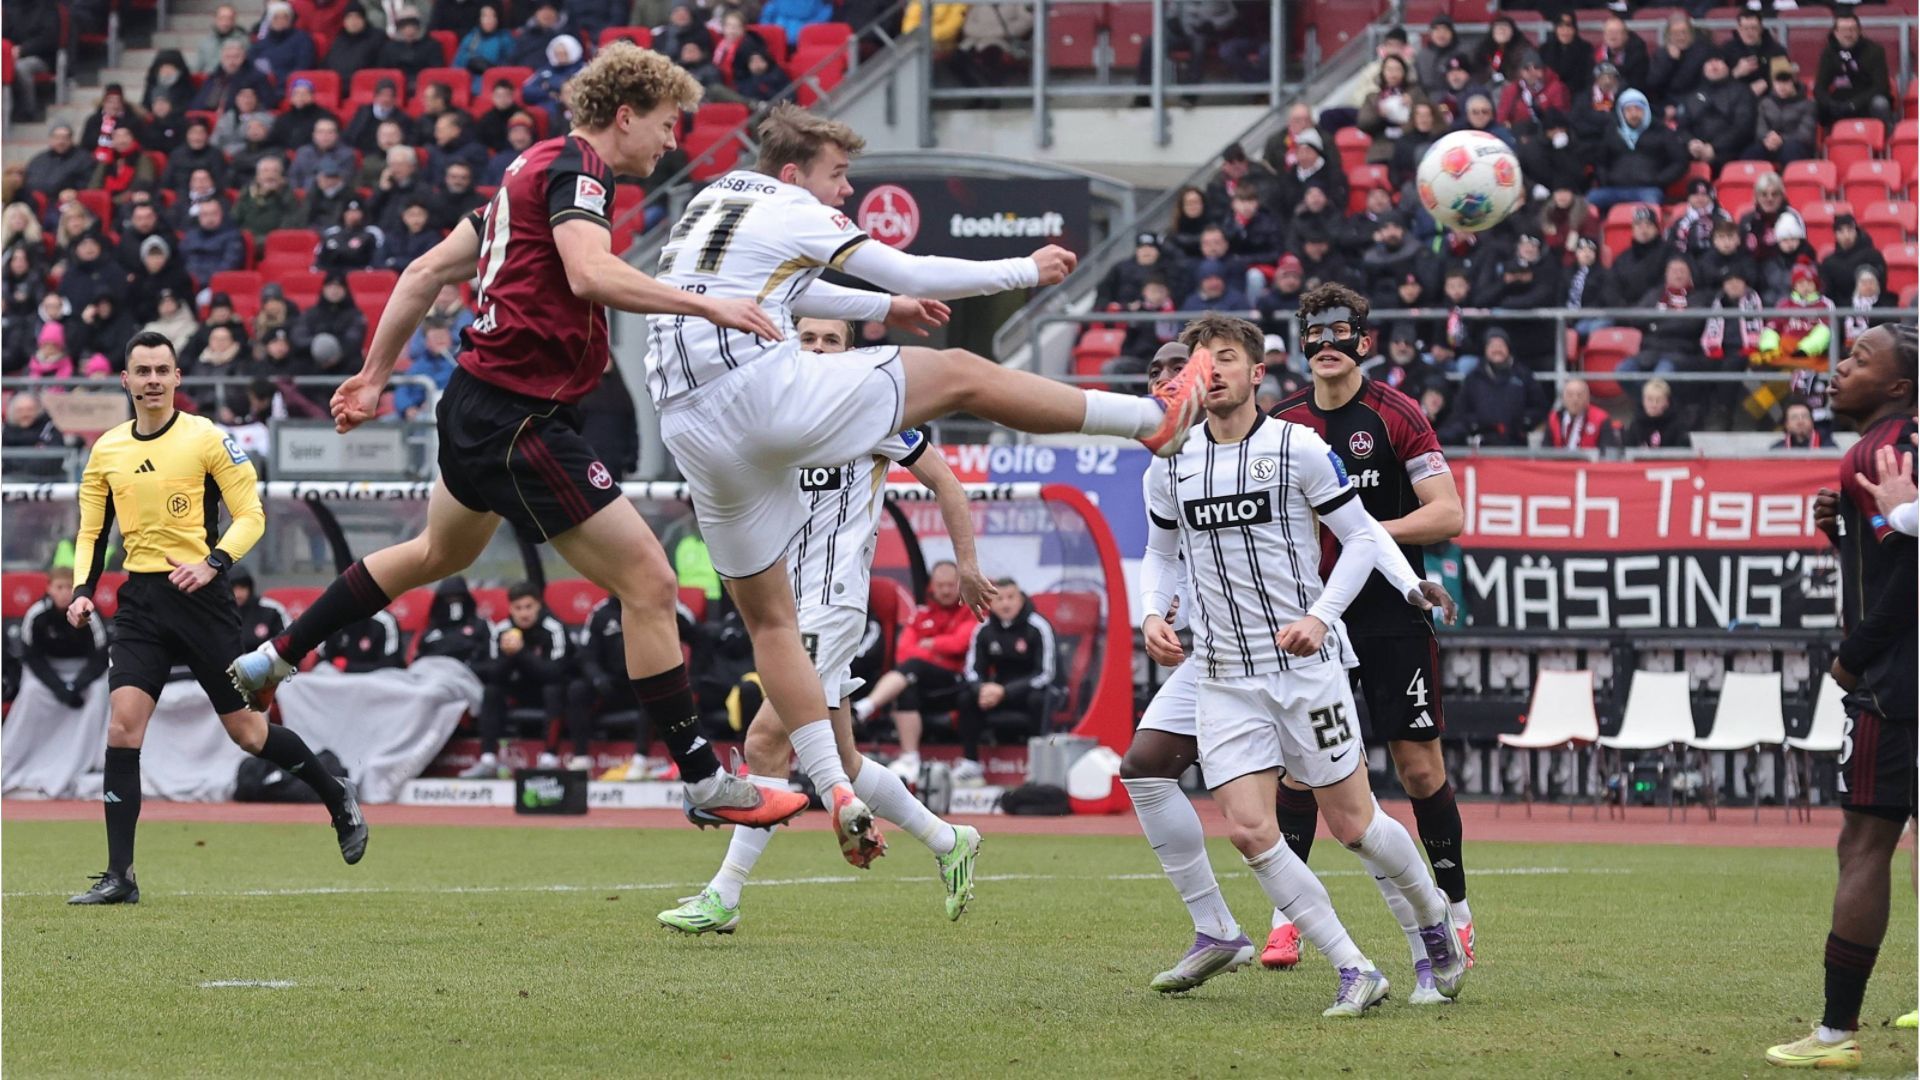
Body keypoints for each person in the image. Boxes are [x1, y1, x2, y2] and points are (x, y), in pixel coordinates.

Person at [227, 44, 806, 830]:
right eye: (668, 124)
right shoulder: (580, 172)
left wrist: (372, 377)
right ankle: (705, 779)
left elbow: (423, 274)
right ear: (625, 116)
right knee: (651, 584)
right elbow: (590, 274)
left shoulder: (524, 171)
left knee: (437, 554)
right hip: (519, 417)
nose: (673, 141)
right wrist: (708, 304)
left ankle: (275, 656)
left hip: (475, 403)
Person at [639, 101, 1206, 858]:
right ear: (794, 173)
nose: (846, 190)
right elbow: (907, 265)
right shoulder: (793, 208)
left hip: (687, 423)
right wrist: (1023, 270)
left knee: (768, 623)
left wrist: (885, 307)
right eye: (839, 174)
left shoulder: (713, 200)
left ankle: (838, 792)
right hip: (758, 394)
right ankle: (1148, 420)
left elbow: (789, 294)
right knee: (964, 373)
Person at [1139, 311, 1464, 1012]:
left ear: (1258, 372)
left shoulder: (1299, 447)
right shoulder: (1169, 461)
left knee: (1354, 826)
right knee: (1249, 831)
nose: (1212, 371)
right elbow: (1160, 553)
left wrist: (1322, 617)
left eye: (1227, 357)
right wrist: (1152, 613)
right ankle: (1354, 967)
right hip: (1223, 674)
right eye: (1202, 361)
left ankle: (1432, 916)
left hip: (1303, 672)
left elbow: (1361, 536)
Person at [659, 314, 987, 932]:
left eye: (830, 340)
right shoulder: (774, 413)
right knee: (844, 759)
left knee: (765, 740)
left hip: (831, 605)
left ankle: (724, 896)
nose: (816, 347)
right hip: (782, 608)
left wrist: (966, 565)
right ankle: (951, 841)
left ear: (850, 351)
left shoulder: (872, 412)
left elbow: (947, 484)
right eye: (806, 337)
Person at [64, 333, 366, 905]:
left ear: (178, 377)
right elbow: (91, 533)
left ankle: (336, 796)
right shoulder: (106, 450)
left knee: (249, 734)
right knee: (122, 728)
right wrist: (82, 591)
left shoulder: (206, 437)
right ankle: (120, 876)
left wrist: (213, 562)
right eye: (142, 371)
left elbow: (251, 514)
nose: (153, 380)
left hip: (202, 600)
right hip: (141, 603)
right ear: (125, 381)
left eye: (162, 370)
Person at [1266, 284, 1474, 979]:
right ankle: (1287, 922)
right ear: (1302, 342)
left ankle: (1457, 912)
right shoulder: (1282, 424)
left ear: (1364, 340)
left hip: (1389, 609)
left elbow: (1448, 514)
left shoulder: (1396, 415)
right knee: (1299, 767)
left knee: (1419, 769)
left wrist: (1363, 535)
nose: (1326, 344)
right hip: (1313, 611)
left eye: (1340, 332)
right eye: (1314, 332)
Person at [1766, 324, 1917, 1069]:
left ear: (1897, 386)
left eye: (1860, 359)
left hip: (1896, 683)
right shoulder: (1897, 446)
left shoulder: (1878, 451)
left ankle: (1834, 1033)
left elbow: (1911, 578)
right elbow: (1895, 556)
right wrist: (1845, 535)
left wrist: (1853, 660)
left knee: (1862, 844)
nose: (1839, 368)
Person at [851, 560, 978, 777]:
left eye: (951, 585)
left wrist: (931, 644)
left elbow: (960, 644)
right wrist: (936, 651)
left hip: (957, 680)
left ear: (960, 584)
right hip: (922, 680)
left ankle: (864, 708)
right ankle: (910, 758)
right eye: (940, 585)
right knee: (907, 684)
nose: (946, 591)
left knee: (914, 667)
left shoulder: (972, 610)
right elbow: (903, 651)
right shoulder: (921, 614)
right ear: (932, 586)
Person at [462, 582, 588, 774]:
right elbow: (493, 674)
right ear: (511, 609)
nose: (524, 613)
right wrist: (508, 655)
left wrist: (521, 652)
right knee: (491, 691)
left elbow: (554, 673)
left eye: (528, 607)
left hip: (550, 689)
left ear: (538, 605)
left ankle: (550, 757)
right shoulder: (502, 630)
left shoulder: (554, 628)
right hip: (519, 689)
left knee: (554, 690)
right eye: (518, 608)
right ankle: (488, 759)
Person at [952, 578, 1055, 781]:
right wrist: (982, 689)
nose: (1006, 604)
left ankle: (1035, 765)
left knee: (1039, 699)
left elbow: (1045, 673)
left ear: (1021, 599)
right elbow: (972, 671)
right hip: (994, 692)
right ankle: (971, 763)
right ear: (990, 602)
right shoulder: (983, 629)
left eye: (1011, 598)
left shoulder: (1038, 626)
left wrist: (1006, 692)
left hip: (1026, 691)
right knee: (966, 698)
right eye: (999, 599)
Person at [19, 565, 110, 707]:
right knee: (30, 690)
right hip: (48, 669)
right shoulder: (36, 614)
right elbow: (32, 656)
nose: (64, 593)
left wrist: (76, 685)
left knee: (98, 690)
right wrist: (58, 687)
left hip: (83, 668)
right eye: (59, 587)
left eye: (69, 587)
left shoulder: (88, 613)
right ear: (49, 588)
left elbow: (101, 655)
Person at [1438, 329, 1542, 445]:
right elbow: (1461, 409)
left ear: (1508, 348)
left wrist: (1525, 422)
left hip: (1516, 443)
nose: (1497, 350)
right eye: (1492, 346)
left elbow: (1539, 405)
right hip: (1483, 444)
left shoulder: (1523, 375)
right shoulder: (1473, 378)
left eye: (1500, 345)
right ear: (1485, 349)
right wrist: (1474, 424)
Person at [1813, 13, 1893, 127]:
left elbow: (1881, 86)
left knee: (1880, 103)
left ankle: (1885, 135)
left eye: (1852, 29)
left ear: (1860, 31)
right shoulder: (1828, 53)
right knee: (1814, 106)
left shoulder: (1875, 51)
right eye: (1843, 30)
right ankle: (1829, 137)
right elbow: (1820, 88)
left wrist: (1854, 104)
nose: (1848, 34)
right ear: (1835, 32)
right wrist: (1831, 104)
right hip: (1839, 100)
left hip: (1866, 100)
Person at [1754, 58, 1817, 166]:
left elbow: (1806, 135)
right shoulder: (1765, 103)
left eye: (1786, 81)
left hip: (1797, 146)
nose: (1782, 86)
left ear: (1793, 81)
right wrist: (1768, 137)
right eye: (1778, 81)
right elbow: (1760, 128)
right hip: (1770, 144)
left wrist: (1782, 139)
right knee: (1751, 153)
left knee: (1790, 150)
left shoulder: (1808, 104)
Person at [1545, 377, 1618, 449]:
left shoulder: (1601, 418)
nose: (1575, 400)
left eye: (1580, 395)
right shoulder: (1554, 418)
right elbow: (1545, 449)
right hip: (1559, 457)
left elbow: (1607, 450)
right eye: (1570, 395)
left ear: (1588, 398)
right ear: (1563, 398)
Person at [1622, 377, 1690, 449]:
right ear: (1643, 401)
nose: (1654, 405)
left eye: (1658, 400)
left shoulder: (1678, 424)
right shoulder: (1635, 424)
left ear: (1667, 402)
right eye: (1649, 399)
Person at [231, 567, 290, 647]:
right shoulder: (218, 611)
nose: (238, 594)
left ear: (250, 588)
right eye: (233, 589)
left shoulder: (271, 609)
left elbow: (287, 642)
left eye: (242, 588)